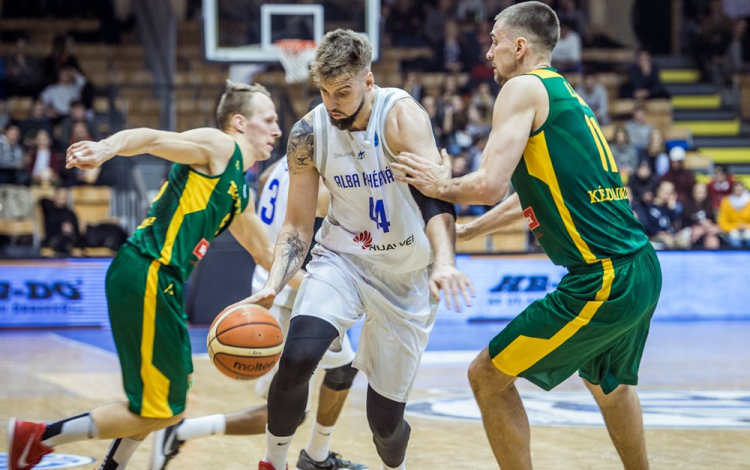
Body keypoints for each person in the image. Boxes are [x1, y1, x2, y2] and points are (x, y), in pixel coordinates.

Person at [393, 3, 662, 469]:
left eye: (494, 40)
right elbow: (531, 195)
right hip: (638, 267)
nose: (489, 50)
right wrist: (473, 229)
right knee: (609, 385)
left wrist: (438, 186)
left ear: (520, 47)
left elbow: (489, 184)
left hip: (602, 278)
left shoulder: (521, 87)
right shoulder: (563, 94)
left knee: (487, 375)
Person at [6, 81, 303, 470]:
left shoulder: (239, 192)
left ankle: (108, 465)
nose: (278, 131)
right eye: (269, 120)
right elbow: (150, 138)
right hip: (147, 271)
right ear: (239, 123)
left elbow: (267, 255)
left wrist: (327, 290)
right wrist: (105, 148)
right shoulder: (220, 146)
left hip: (161, 283)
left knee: (166, 400)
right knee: (161, 409)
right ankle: (37, 437)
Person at [239, 29, 473, 470]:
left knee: (384, 425)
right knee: (297, 358)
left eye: (343, 91)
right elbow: (296, 225)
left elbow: (435, 200)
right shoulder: (308, 132)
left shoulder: (401, 118)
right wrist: (273, 283)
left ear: (368, 81)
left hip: (406, 275)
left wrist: (444, 262)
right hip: (342, 259)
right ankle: (273, 463)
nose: (333, 103)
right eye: (325, 92)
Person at [149, 158, 366, 470]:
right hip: (290, 292)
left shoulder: (281, 165)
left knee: (342, 370)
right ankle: (183, 431)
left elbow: (263, 179)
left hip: (280, 283)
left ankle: (317, 455)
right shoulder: (320, 179)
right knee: (285, 407)